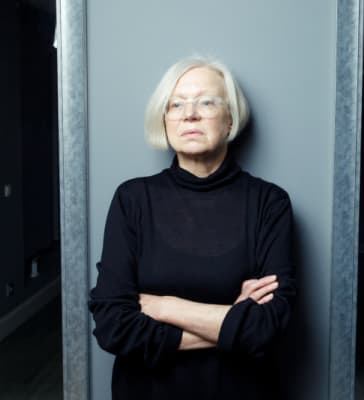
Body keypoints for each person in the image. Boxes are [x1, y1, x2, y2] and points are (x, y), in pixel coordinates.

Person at [88, 56, 296, 399]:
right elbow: (113, 326)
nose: (190, 114)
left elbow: (268, 327)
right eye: (176, 104)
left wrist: (164, 306)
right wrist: (233, 318)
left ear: (230, 120)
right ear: (165, 119)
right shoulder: (132, 199)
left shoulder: (269, 203)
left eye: (207, 102)